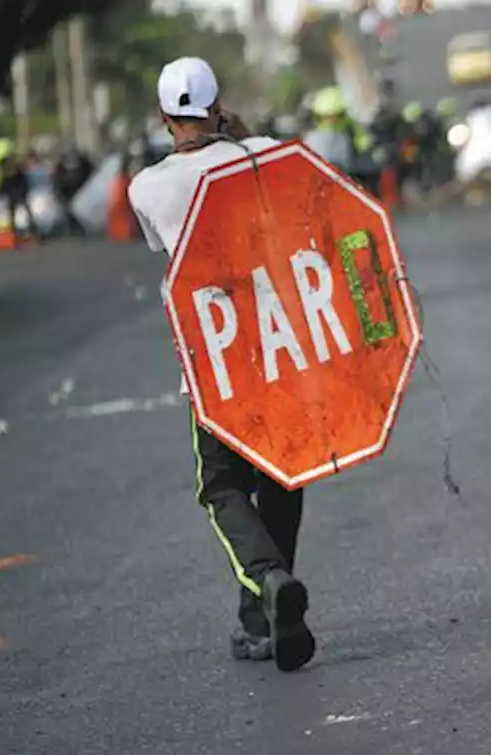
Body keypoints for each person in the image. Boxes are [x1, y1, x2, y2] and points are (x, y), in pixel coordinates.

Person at [126, 56, 315, 673]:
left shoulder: (147, 187)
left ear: (163, 119)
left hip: (214, 359)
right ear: (217, 106)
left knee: (222, 485)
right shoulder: (262, 152)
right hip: (278, 343)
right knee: (282, 477)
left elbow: (167, 242)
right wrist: (240, 135)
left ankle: (266, 581)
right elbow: (276, 172)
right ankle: (263, 611)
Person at [302, 86, 357, 174]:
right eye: (324, 118)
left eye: (335, 118)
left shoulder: (353, 135)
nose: (329, 123)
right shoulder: (312, 139)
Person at [0, 138, 35, 236]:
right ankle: (17, 230)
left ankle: (26, 229)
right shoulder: (1, 171)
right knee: (15, 209)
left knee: (19, 209)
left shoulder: (10, 169)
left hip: (16, 191)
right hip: (12, 192)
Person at [54, 145, 93, 237]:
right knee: (69, 212)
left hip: (68, 192)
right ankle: (74, 229)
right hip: (65, 192)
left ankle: (75, 229)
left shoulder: (73, 168)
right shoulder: (63, 168)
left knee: (69, 212)